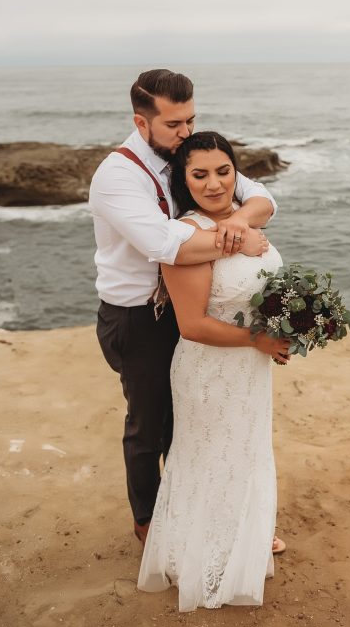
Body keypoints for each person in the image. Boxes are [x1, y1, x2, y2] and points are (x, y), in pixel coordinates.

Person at [89, 69, 282, 547]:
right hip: (137, 316)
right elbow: (169, 245)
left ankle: (197, 513)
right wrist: (240, 243)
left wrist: (236, 223)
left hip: (185, 304)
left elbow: (261, 196)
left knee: (193, 420)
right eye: (174, 124)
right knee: (148, 425)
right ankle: (149, 522)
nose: (185, 133)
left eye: (191, 120)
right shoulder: (117, 176)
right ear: (142, 121)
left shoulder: (187, 156)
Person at [137, 131, 289, 610]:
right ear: (183, 180)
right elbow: (193, 325)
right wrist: (256, 339)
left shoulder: (245, 216)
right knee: (210, 455)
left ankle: (246, 533)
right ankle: (203, 552)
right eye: (199, 174)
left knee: (246, 449)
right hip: (209, 368)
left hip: (249, 365)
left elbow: (263, 206)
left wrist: (289, 324)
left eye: (223, 171)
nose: (215, 183)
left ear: (235, 172)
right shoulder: (184, 236)